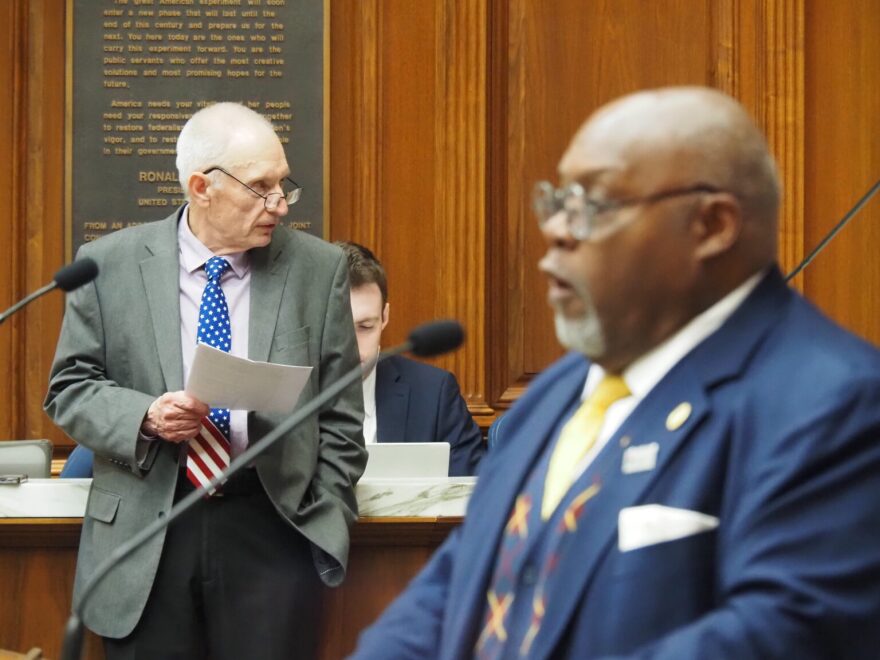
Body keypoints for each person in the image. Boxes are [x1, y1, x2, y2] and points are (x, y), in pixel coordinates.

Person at [349, 87, 880, 659]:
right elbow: (452, 585)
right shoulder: (558, 392)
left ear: (712, 225)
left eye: (594, 205)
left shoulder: (836, 405)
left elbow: (781, 634)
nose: (556, 230)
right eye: (555, 201)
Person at [45, 102, 366, 659]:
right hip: (148, 532)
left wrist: (323, 515)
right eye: (261, 187)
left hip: (269, 529)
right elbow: (69, 387)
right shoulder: (107, 264)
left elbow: (340, 415)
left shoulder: (319, 270)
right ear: (202, 187)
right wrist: (144, 416)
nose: (280, 204)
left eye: (284, 183)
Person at [336, 241, 485, 476]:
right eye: (339, 328)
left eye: (365, 326)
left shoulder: (433, 394)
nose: (353, 347)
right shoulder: (288, 396)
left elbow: (469, 495)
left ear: (384, 316)